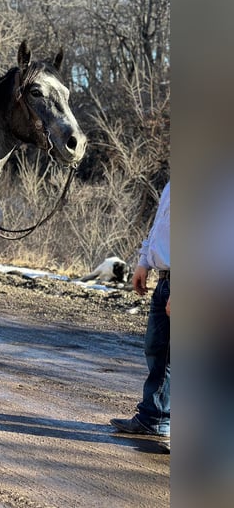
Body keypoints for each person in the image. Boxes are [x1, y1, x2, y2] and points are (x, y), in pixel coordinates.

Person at [110, 181, 170, 439]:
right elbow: (161, 226)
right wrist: (144, 261)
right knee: (157, 349)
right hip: (166, 278)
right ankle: (153, 418)